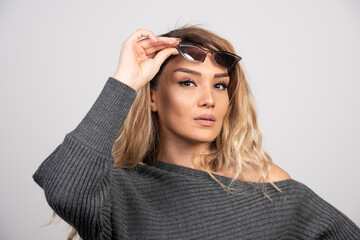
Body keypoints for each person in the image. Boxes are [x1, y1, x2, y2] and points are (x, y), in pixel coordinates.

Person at [33, 25, 360, 240]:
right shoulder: (119, 190)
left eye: (220, 85)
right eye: (187, 82)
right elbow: (64, 187)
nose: (209, 99)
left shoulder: (266, 186)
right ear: (152, 97)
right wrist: (126, 80)